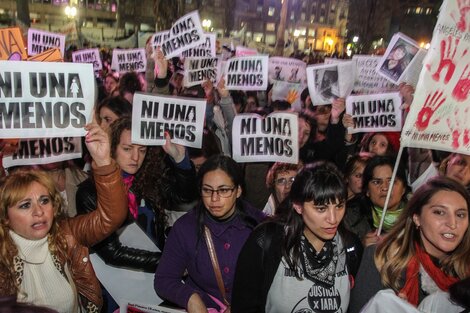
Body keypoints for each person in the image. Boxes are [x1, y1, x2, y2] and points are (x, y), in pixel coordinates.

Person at [0, 123, 127, 312]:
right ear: (6, 217)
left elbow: (111, 217)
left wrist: (103, 162)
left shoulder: (67, 234)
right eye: (25, 205)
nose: (39, 211)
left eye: (44, 200)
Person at [231, 162, 363, 313]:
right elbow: (243, 306)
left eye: (339, 206)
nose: (333, 219)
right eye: (321, 208)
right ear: (298, 206)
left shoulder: (350, 246)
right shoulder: (267, 240)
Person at [154, 155, 265, 312]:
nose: (214, 199)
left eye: (223, 190)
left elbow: (274, 282)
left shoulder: (261, 226)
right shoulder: (186, 227)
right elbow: (164, 279)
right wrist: (190, 298)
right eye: (207, 190)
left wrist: (245, 304)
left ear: (238, 190)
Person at [349, 177, 470, 313]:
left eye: (460, 215)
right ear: (417, 217)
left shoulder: (465, 269)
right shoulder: (382, 258)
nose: (452, 224)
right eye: (439, 212)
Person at [345, 155, 409, 244]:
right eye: (377, 182)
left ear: (403, 189)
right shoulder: (350, 218)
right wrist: (360, 248)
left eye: (391, 181)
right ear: (367, 191)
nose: (385, 188)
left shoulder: (417, 218)